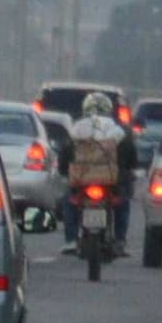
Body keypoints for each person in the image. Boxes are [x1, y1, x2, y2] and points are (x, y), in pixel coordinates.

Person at [65, 101, 130, 256]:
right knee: (123, 204)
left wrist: (65, 170)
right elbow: (130, 158)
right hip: (110, 182)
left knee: (68, 202)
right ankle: (120, 240)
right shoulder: (117, 130)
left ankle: (71, 239)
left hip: (81, 181)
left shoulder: (77, 128)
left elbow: (65, 155)